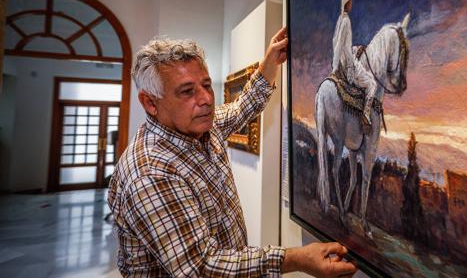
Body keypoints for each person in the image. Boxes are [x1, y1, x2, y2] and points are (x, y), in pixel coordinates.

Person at [108, 28, 356, 278]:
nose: (205, 98)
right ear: (150, 103)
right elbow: (200, 268)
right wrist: (295, 259)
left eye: (206, 85)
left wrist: (269, 64)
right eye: (187, 91)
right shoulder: (150, 173)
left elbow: (241, 109)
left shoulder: (201, 127)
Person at [332, 0, 378, 131]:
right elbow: (339, 45)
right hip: (349, 66)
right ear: (348, 2)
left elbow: (339, 44)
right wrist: (335, 69)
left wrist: (356, 49)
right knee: (372, 84)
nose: (352, 3)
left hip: (343, 61)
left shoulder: (340, 20)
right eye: (351, 1)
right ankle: (365, 115)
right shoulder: (346, 21)